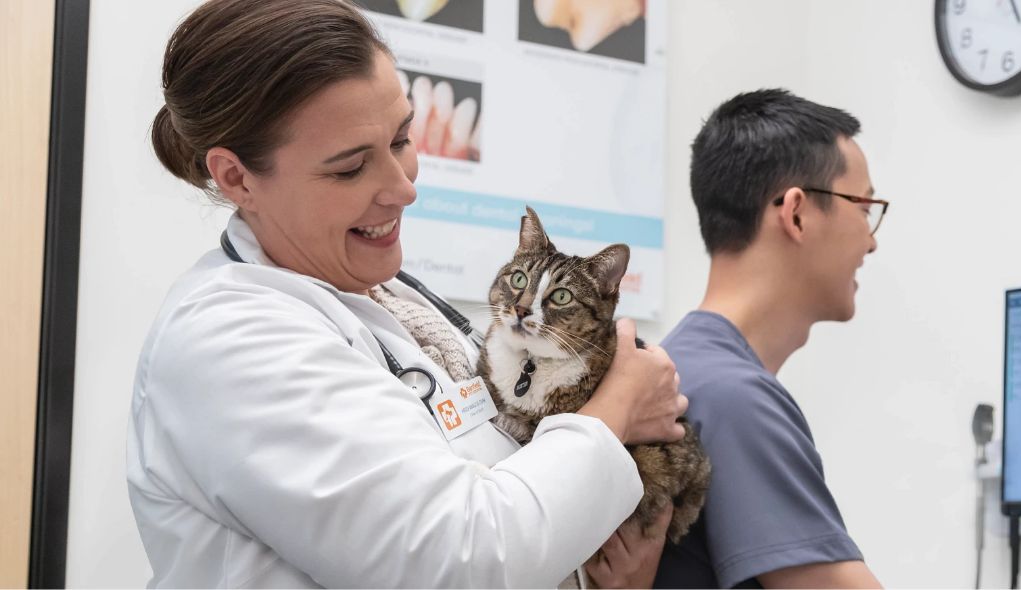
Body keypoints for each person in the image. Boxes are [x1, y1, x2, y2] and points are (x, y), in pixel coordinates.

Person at [126, 0, 687, 587]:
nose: (403, 189)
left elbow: (508, 491)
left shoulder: (393, 300)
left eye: (400, 140)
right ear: (237, 178)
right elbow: (461, 561)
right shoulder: (231, 343)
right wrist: (617, 407)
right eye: (350, 168)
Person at [653, 89, 887, 589]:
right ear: (796, 213)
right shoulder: (732, 397)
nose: (871, 241)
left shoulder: (683, 368)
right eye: (864, 208)